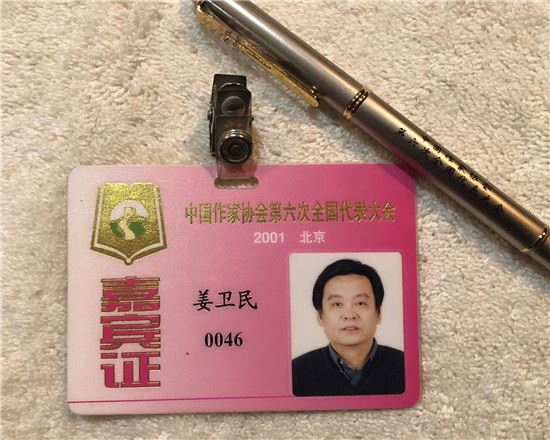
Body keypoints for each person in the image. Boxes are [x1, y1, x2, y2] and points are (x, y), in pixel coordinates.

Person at [292, 259, 405, 396]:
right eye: (337, 304)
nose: (349, 315)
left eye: (360, 303)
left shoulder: (407, 366)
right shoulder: (295, 373)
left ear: (378, 313)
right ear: (320, 316)